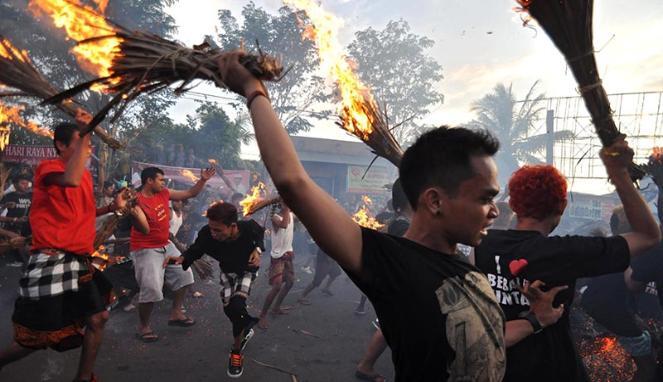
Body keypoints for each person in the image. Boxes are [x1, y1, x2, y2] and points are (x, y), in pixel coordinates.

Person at [214, 51, 564, 381]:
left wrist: (536, 320)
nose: (494, 210)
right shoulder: (392, 263)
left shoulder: (467, 268)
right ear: (435, 201)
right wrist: (254, 90)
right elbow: (294, 183)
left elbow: (487, 339)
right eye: (486, 198)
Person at [473, 159, 661, 382]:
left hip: (497, 369)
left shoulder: (481, 244)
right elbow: (649, 236)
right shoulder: (565, 251)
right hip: (554, 369)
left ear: (514, 204)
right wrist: (620, 176)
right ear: (562, 206)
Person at [0, 113, 132, 382]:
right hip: (51, 259)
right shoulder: (48, 168)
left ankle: (83, 378)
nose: (89, 148)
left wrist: (111, 208)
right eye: (82, 143)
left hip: (78, 260)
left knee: (99, 318)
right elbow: (69, 179)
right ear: (61, 145)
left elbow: (82, 212)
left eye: (89, 144)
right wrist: (86, 132)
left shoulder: (83, 176)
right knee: (36, 339)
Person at [168, 202, 263, 378]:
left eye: (218, 230)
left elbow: (259, 234)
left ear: (233, 226)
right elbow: (196, 249)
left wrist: (257, 250)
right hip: (227, 273)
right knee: (231, 311)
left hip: (246, 272)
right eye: (211, 229)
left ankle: (236, 352)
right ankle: (245, 328)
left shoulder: (248, 227)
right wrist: (182, 258)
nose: (213, 233)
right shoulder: (207, 233)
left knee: (236, 306)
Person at [130, 166, 215, 343]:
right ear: (149, 181)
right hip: (145, 249)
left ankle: (176, 313)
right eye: (160, 179)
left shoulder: (164, 193)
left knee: (185, 274)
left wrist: (203, 180)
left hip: (165, 245)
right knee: (151, 288)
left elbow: (190, 193)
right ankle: (143, 326)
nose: (164, 182)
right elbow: (144, 229)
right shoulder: (135, 201)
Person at [581, 208, 663, 382]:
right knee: (647, 366)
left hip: (605, 318)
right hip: (612, 319)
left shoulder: (609, 249)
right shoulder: (633, 252)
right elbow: (631, 283)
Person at [258, 202, 295, 329]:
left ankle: (276, 308)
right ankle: (262, 315)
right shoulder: (275, 217)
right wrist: (286, 208)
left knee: (290, 283)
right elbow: (284, 225)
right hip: (278, 257)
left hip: (288, 255)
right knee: (277, 286)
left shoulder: (290, 214)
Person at [0, 174, 33, 267]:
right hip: (12, 227)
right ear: (15, 184)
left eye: (27, 183)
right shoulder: (8, 196)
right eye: (23, 183)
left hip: (28, 226)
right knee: (17, 243)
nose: (25, 185)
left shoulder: (30, 196)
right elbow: (1, 212)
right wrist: (15, 219)